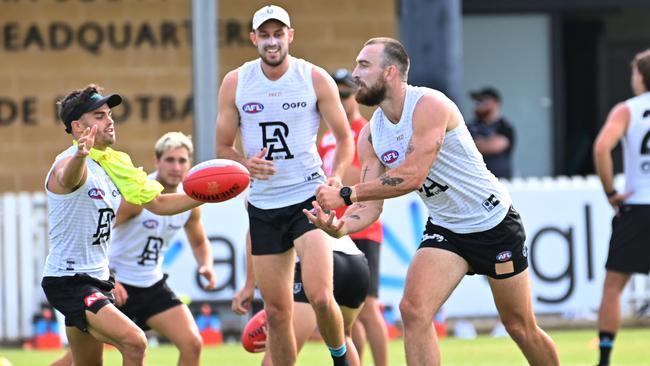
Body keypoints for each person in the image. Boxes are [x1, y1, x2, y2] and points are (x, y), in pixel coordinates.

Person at [304, 37, 560, 366]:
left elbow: (411, 175)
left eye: (364, 65)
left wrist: (346, 193)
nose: (356, 74)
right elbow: (370, 204)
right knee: (413, 311)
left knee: (519, 326)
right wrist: (341, 227)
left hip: (492, 222)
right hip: (447, 228)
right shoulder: (371, 134)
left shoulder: (429, 106)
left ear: (390, 72)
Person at [215, 5, 354, 366]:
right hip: (263, 204)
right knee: (277, 314)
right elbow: (222, 146)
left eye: (279, 34)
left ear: (290, 36)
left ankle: (339, 357)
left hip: (307, 198)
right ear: (254, 39)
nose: (272, 41)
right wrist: (247, 163)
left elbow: (344, 139)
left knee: (321, 296)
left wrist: (336, 176)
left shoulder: (313, 77)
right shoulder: (237, 81)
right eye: (265, 34)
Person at [42, 84, 202, 366]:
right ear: (78, 127)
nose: (110, 120)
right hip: (69, 281)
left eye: (109, 114)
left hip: (99, 280)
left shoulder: (116, 164)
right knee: (135, 342)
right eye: (100, 116)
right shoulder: (67, 163)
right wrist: (80, 156)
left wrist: (207, 194)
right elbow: (68, 180)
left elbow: (160, 204)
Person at [318, 68, 389, 366]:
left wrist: (331, 178)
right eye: (336, 94)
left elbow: (359, 178)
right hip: (333, 229)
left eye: (346, 93)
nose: (342, 99)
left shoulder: (365, 132)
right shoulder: (326, 138)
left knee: (370, 307)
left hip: (362, 228)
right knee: (347, 312)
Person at [592, 48, 650, 366]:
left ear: (641, 77)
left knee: (614, 285)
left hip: (638, 205)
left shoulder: (628, 109)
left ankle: (604, 359)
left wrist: (611, 191)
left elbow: (602, 147)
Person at [232, 233, 369, 366]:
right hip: (355, 262)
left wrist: (249, 285)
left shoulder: (262, 210)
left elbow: (254, 234)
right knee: (343, 337)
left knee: (275, 358)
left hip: (319, 259)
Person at [467, 86, 515, 179]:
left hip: (500, 180)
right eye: (477, 102)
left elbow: (495, 146)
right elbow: (462, 147)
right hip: (475, 179)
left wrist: (476, 144)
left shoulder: (504, 126)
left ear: (496, 104)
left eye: (483, 101)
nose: (478, 105)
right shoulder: (469, 126)